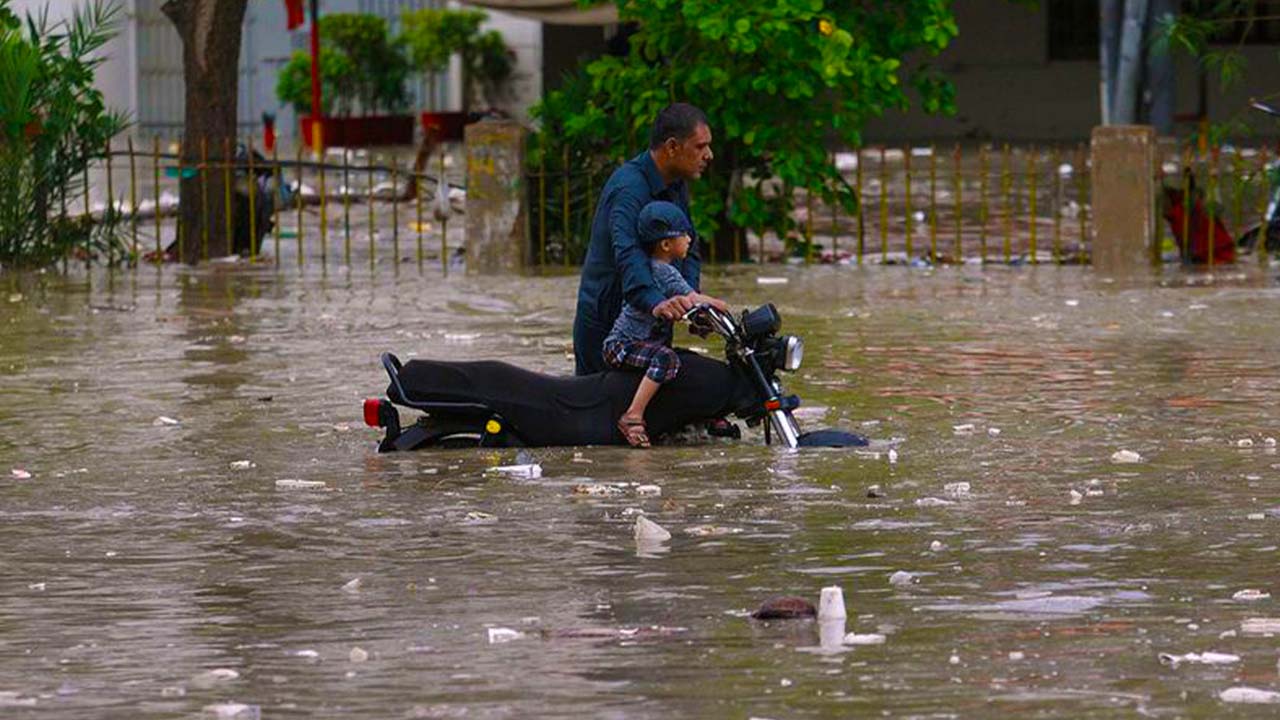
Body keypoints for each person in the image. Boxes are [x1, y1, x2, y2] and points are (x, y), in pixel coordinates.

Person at [573, 103, 714, 375]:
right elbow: (629, 255)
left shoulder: (676, 184)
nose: (709, 155)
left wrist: (691, 299)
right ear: (672, 147)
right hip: (610, 326)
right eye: (700, 147)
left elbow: (688, 247)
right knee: (602, 411)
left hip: (652, 324)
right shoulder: (629, 188)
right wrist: (657, 302)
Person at [603, 202, 728, 448]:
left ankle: (703, 416)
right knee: (666, 359)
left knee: (689, 362)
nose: (690, 239)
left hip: (639, 345)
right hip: (621, 346)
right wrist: (719, 304)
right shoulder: (662, 271)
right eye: (684, 234)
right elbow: (692, 298)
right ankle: (632, 416)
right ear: (666, 244)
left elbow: (687, 307)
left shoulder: (661, 270)